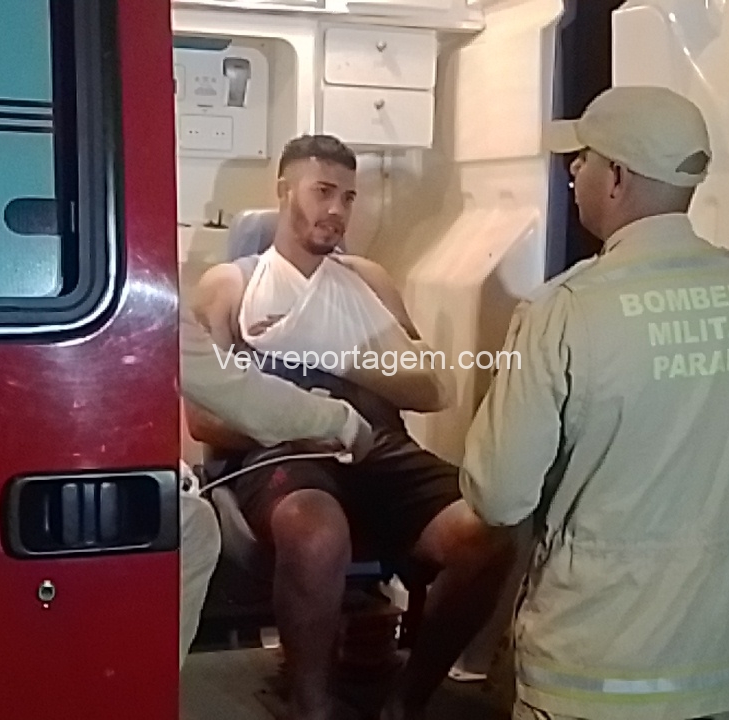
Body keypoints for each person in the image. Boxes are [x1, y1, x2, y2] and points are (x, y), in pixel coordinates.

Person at [458, 86, 729, 720]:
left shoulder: (563, 311)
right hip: (725, 662)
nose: (573, 169)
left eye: (584, 157)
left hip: (593, 668)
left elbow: (499, 493)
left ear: (617, 177)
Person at [187, 134, 516, 720]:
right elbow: (204, 418)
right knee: (316, 531)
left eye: (348, 197)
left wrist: (359, 383)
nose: (337, 210)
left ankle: (407, 700)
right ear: (284, 191)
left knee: (488, 528)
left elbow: (417, 375)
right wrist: (302, 422)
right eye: (322, 192)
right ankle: (312, 706)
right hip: (283, 453)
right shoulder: (231, 287)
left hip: (375, 446)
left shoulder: (368, 280)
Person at [177, 309, 375, 668]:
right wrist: (341, 420)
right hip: (287, 444)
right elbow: (229, 393)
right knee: (195, 527)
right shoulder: (188, 294)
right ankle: (144, 687)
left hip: (365, 440)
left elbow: (428, 387)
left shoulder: (369, 289)